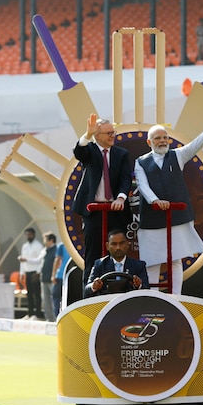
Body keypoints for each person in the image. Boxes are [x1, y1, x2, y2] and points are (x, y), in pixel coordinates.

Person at [135, 110, 203, 295]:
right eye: (158, 138)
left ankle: (176, 298)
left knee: (176, 259)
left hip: (177, 217)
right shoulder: (140, 162)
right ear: (149, 142)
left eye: (165, 137)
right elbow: (143, 185)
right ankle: (152, 297)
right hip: (152, 219)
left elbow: (195, 145)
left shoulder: (178, 155)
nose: (162, 141)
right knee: (152, 261)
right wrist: (155, 201)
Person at [73, 113, 132, 286]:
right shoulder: (90, 151)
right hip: (93, 212)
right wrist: (87, 134)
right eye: (109, 133)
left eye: (113, 132)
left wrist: (121, 198)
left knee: (118, 253)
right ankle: (90, 293)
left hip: (116, 212)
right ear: (98, 136)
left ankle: (117, 288)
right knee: (92, 253)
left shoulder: (121, 154)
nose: (113, 136)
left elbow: (125, 178)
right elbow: (79, 152)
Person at [84, 230, 149, 297]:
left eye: (121, 243)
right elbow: (86, 290)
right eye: (114, 244)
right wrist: (94, 286)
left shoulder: (139, 265)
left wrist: (139, 285)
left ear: (127, 244)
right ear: (107, 246)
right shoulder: (99, 264)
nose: (118, 247)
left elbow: (147, 290)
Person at [18, 228, 44, 319]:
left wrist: (38, 272)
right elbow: (22, 261)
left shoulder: (38, 245)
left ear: (33, 234)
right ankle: (29, 313)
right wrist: (22, 273)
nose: (28, 236)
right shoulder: (25, 246)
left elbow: (40, 260)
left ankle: (37, 313)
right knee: (29, 294)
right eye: (27, 235)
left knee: (36, 293)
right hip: (27, 271)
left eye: (30, 234)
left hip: (34, 272)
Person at [40, 232, 58, 321]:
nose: (44, 242)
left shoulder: (56, 250)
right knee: (45, 300)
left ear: (51, 240)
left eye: (45, 240)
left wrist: (54, 275)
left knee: (53, 300)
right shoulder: (45, 251)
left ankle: (55, 318)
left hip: (52, 279)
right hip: (44, 278)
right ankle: (49, 318)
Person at [51, 238, 68, 317]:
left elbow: (57, 260)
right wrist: (54, 275)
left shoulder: (63, 244)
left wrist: (53, 275)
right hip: (62, 275)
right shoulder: (62, 245)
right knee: (57, 297)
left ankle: (58, 316)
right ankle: (58, 316)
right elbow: (57, 259)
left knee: (57, 297)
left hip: (63, 275)